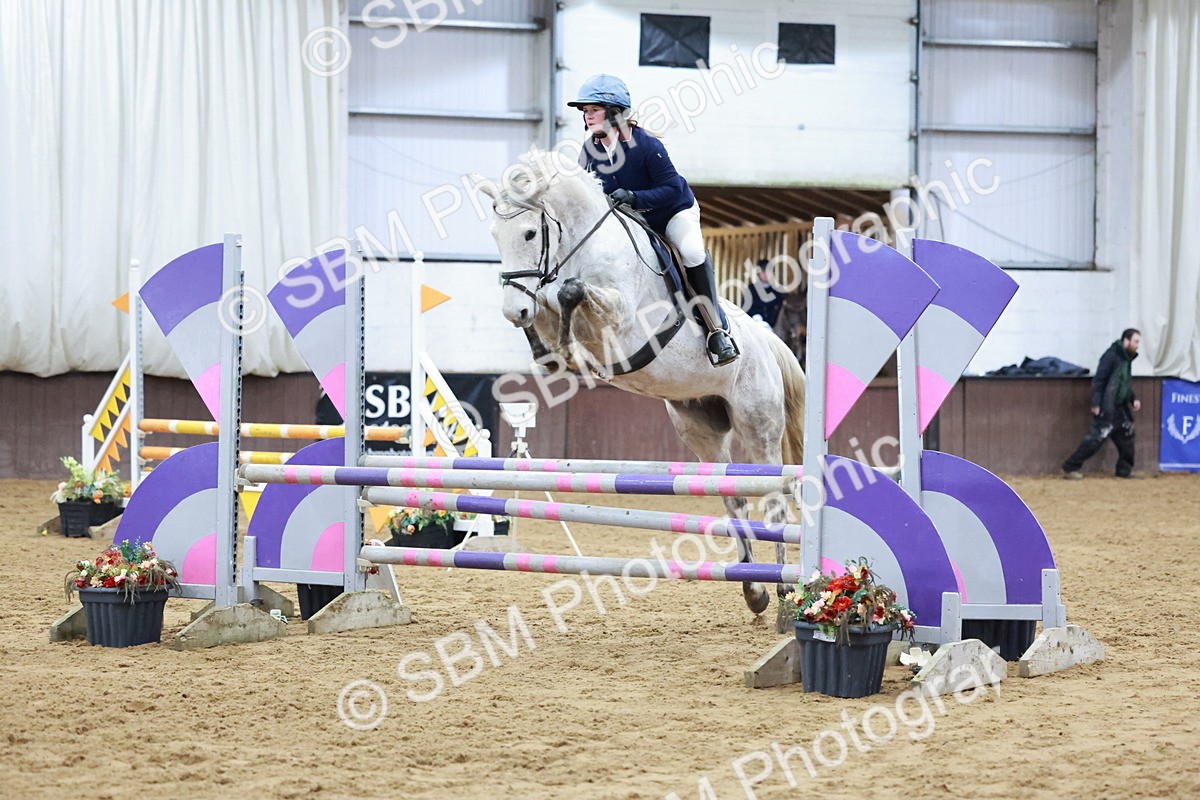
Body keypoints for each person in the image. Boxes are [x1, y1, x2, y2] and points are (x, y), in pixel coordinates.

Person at [568, 74, 738, 367]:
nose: (588, 115)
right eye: (585, 111)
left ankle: (717, 331)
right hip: (635, 223)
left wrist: (634, 197)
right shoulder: (589, 152)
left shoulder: (646, 145)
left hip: (673, 213)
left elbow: (672, 189)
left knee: (692, 252)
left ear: (615, 113)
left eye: (594, 109)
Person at [1062, 328, 1143, 479]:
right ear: (1126, 341)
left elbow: (1125, 383)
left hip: (1120, 408)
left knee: (1127, 438)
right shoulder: (1111, 356)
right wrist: (1096, 404)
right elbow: (1099, 380)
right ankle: (1070, 467)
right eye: (1136, 341)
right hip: (1107, 407)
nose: (1138, 345)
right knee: (1094, 440)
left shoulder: (1126, 358)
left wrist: (1133, 399)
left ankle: (1124, 470)